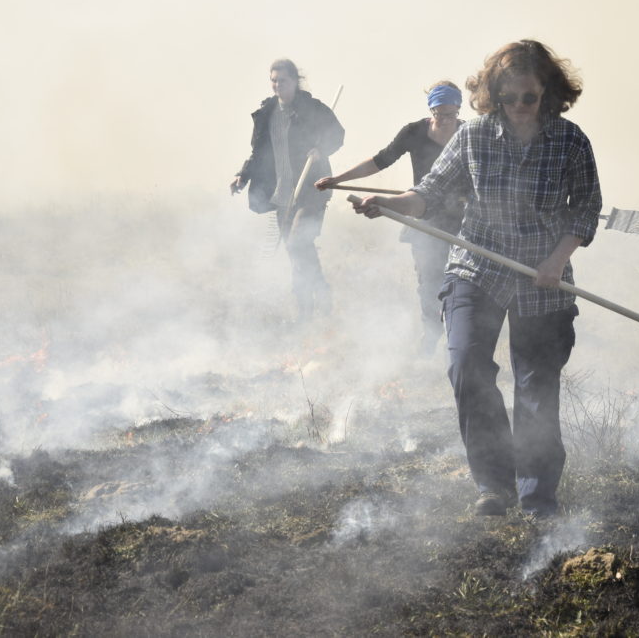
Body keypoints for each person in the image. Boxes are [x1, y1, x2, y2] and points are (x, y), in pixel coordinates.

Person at [350, 40, 602, 518]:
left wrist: (557, 259)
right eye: (508, 99)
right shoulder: (474, 137)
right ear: (494, 97)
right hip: (478, 267)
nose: (520, 108)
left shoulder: (571, 141)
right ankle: (495, 485)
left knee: (535, 387)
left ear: (548, 94)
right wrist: (388, 205)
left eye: (529, 98)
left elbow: (587, 209)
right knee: (466, 366)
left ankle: (536, 496)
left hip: (542, 276)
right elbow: (427, 194)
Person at [314, 81, 464, 354]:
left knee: (459, 282)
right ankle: (430, 336)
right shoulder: (414, 132)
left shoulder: (468, 135)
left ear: (459, 110)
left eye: (450, 114)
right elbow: (380, 160)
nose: (444, 120)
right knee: (429, 281)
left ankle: (458, 341)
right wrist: (338, 179)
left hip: (463, 222)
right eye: (438, 114)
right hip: (423, 214)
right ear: (430, 110)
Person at [230, 58, 344, 320]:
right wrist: (242, 175)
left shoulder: (313, 109)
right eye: (274, 81)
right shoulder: (266, 113)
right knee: (296, 251)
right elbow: (257, 152)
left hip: (311, 187)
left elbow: (337, 134)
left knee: (297, 241)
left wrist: (321, 149)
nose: (277, 86)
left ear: (295, 81)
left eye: (283, 80)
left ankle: (320, 296)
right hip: (281, 190)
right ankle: (306, 310)